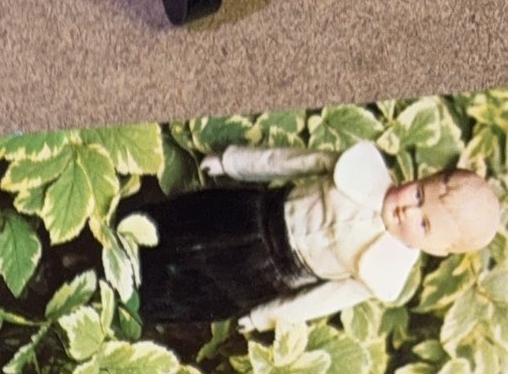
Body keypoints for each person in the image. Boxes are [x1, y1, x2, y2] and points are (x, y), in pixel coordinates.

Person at [138, 141, 501, 331]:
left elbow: (322, 299)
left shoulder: (381, 272)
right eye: (419, 194)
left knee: (198, 283)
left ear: (435, 249)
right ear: (423, 176)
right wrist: (233, 163)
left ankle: (139, 297)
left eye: (424, 224)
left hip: (265, 271)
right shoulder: (363, 170)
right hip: (256, 213)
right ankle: (136, 225)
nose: (408, 209)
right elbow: (292, 161)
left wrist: (267, 316)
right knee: (190, 221)